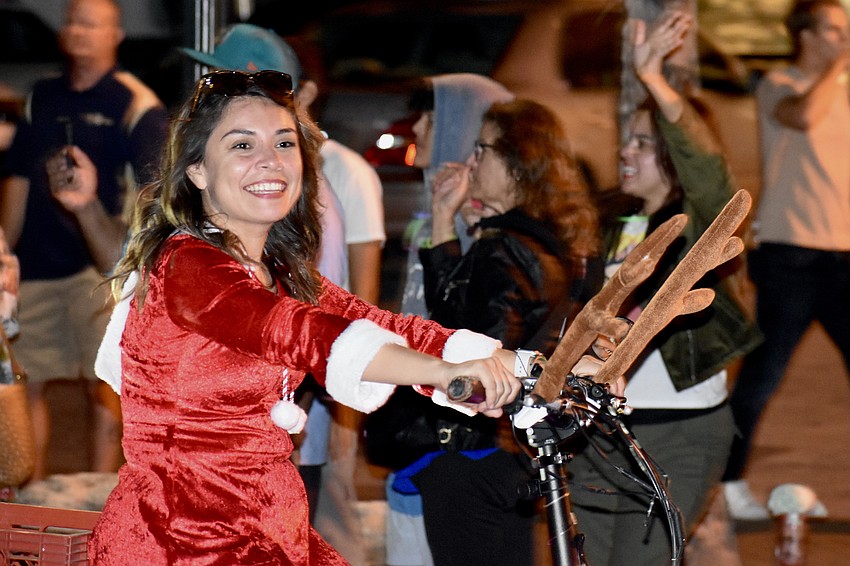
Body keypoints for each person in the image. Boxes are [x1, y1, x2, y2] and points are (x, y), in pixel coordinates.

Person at [85, 69, 547, 564]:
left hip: (267, 521)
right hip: (179, 534)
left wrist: (528, 366)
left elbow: (383, 324)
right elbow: (300, 333)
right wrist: (443, 373)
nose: (271, 161)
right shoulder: (185, 263)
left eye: (285, 143)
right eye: (242, 146)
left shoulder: (281, 270)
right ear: (196, 170)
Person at [180, 24, 386, 559]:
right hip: (236, 446)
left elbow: (331, 309)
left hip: (296, 410)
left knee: (315, 529)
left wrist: (445, 364)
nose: (208, 89)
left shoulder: (296, 185)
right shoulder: (203, 232)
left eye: (221, 79)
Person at [566, 12, 763, 565]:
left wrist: (655, 80)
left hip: (677, 432)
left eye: (644, 143)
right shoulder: (607, 219)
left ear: (673, 156)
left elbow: (708, 170)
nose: (626, 151)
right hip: (597, 429)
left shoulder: (701, 224)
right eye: (627, 140)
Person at [405, 97, 603, 566]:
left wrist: (444, 224)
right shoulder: (563, 242)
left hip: (478, 449)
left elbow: (465, 344)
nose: (472, 162)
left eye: (483, 150)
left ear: (517, 165)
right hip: (525, 448)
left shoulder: (505, 248)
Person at [0, 0, 168, 480]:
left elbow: (154, 194)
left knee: (108, 388)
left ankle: (101, 493)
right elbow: (18, 179)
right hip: (34, 264)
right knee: (24, 383)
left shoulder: (135, 105)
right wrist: (6, 254)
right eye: (72, 20)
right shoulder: (43, 96)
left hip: (100, 274)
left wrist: (139, 269)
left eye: (91, 23)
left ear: (115, 35)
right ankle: (29, 488)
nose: (79, 30)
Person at [371, 73, 514, 566]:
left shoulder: (472, 218)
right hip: (420, 402)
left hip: (453, 423)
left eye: (434, 118)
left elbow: (464, 325)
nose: (419, 127)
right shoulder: (438, 203)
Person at [722, 0, 850, 520]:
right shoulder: (780, 83)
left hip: (844, 257)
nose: (845, 37)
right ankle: (729, 483)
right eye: (835, 29)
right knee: (763, 376)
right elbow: (802, 118)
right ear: (806, 34)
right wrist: (838, 67)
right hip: (790, 255)